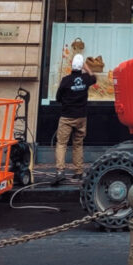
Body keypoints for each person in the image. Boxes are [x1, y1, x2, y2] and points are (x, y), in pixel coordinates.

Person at [54, 53, 97, 181]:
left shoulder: (66, 80)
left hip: (67, 117)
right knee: (78, 144)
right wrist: (87, 67)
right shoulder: (85, 79)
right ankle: (78, 171)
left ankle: (60, 171)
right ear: (81, 66)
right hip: (81, 118)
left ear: (71, 65)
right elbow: (94, 78)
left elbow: (58, 98)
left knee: (62, 143)